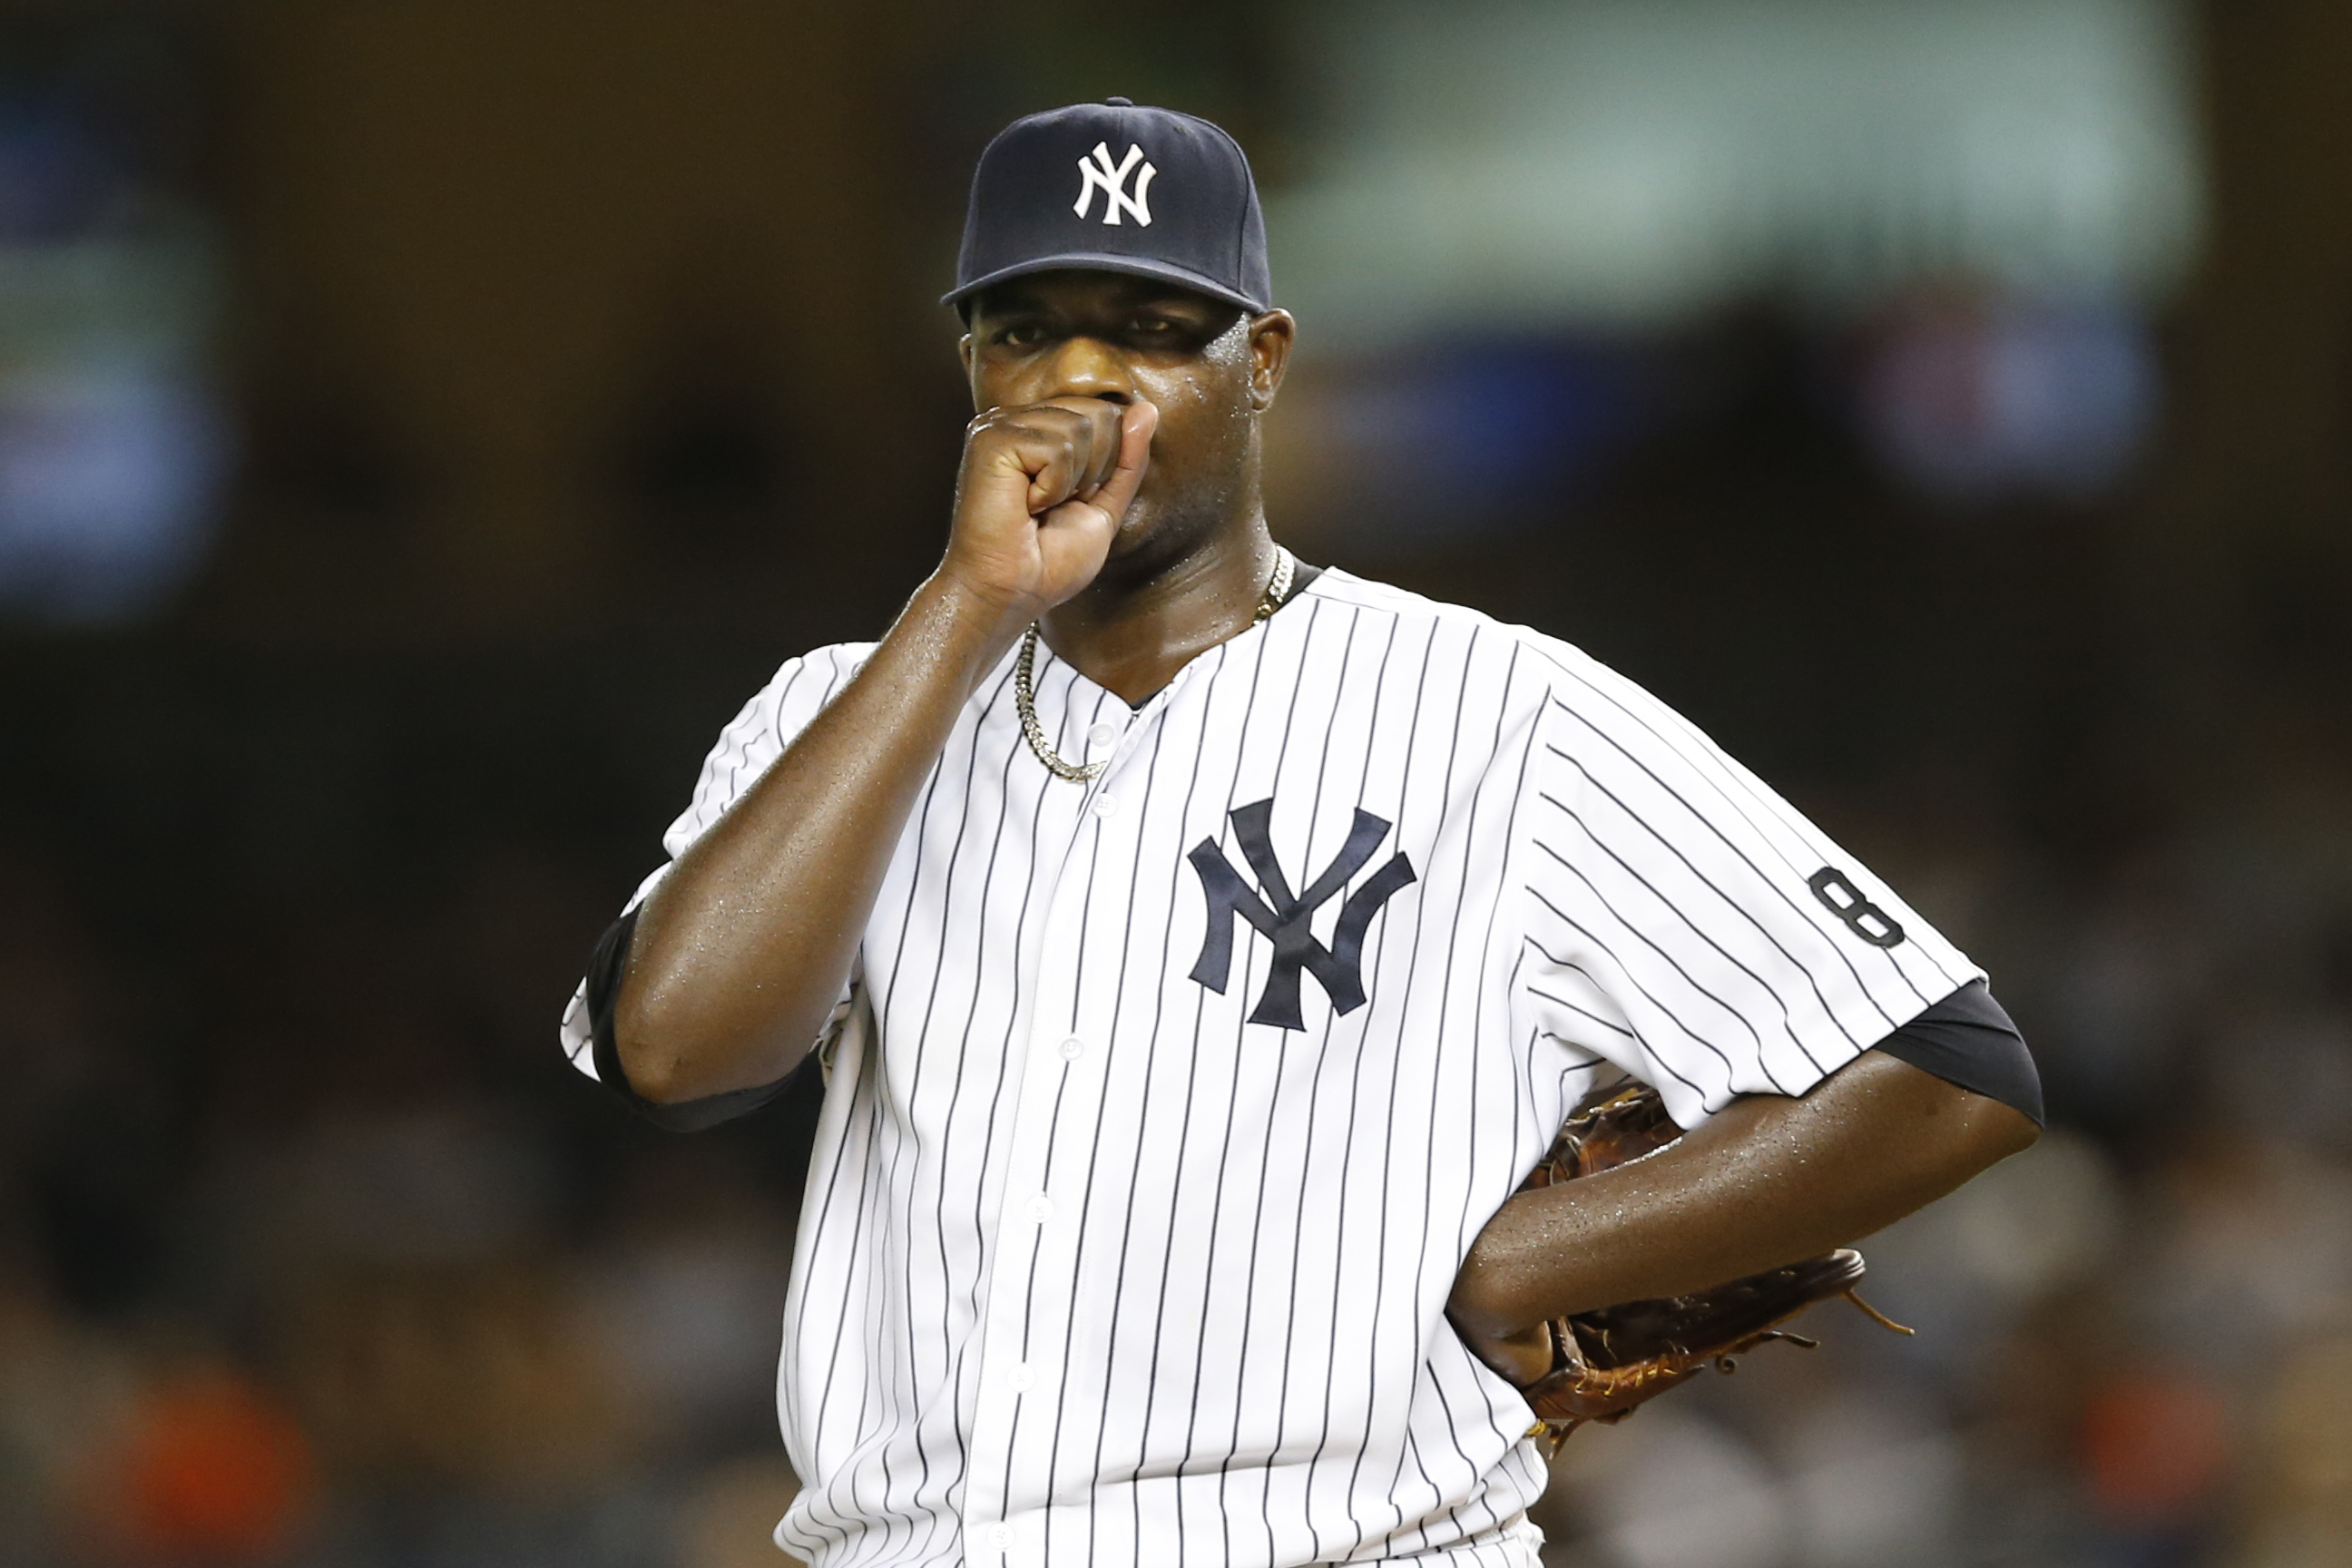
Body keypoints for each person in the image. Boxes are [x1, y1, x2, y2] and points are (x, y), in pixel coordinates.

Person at [561, 100, 2042, 1567]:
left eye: (1150, 326)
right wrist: (962, 607)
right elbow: (679, 1054)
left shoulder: (1494, 709)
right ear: (970, 363)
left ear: (1258, 361)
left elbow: (1946, 1073)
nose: (1080, 378)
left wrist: (1513, 1259)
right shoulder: (845, 708)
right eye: (1025, 328)